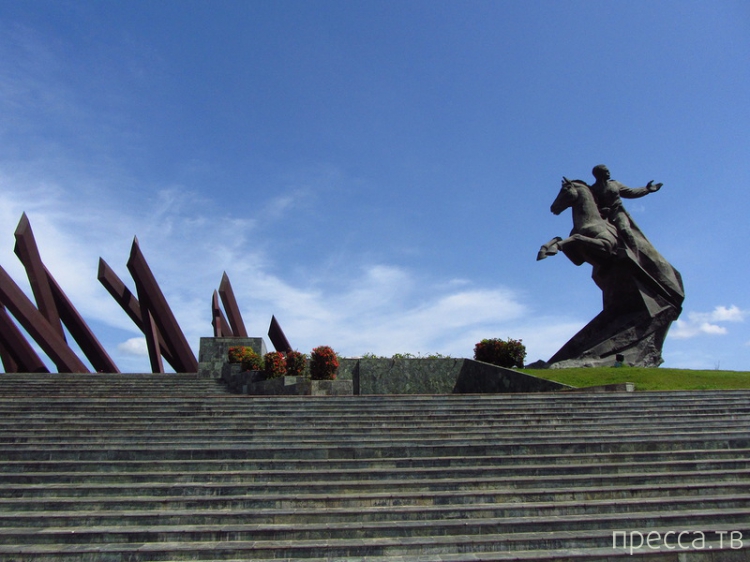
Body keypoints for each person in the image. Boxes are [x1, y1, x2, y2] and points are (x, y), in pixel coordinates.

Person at [589, 165, 662, 253]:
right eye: (606, 171)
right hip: (602, 216)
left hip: (617, 212)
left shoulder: (615, 184)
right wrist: (601, 210)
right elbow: (592, 205)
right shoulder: (593, 189)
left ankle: (634, 254)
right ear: (599, 174)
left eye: (608, 171)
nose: (609, 173)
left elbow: (630, 192)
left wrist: (647, 189)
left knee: (625, 230)